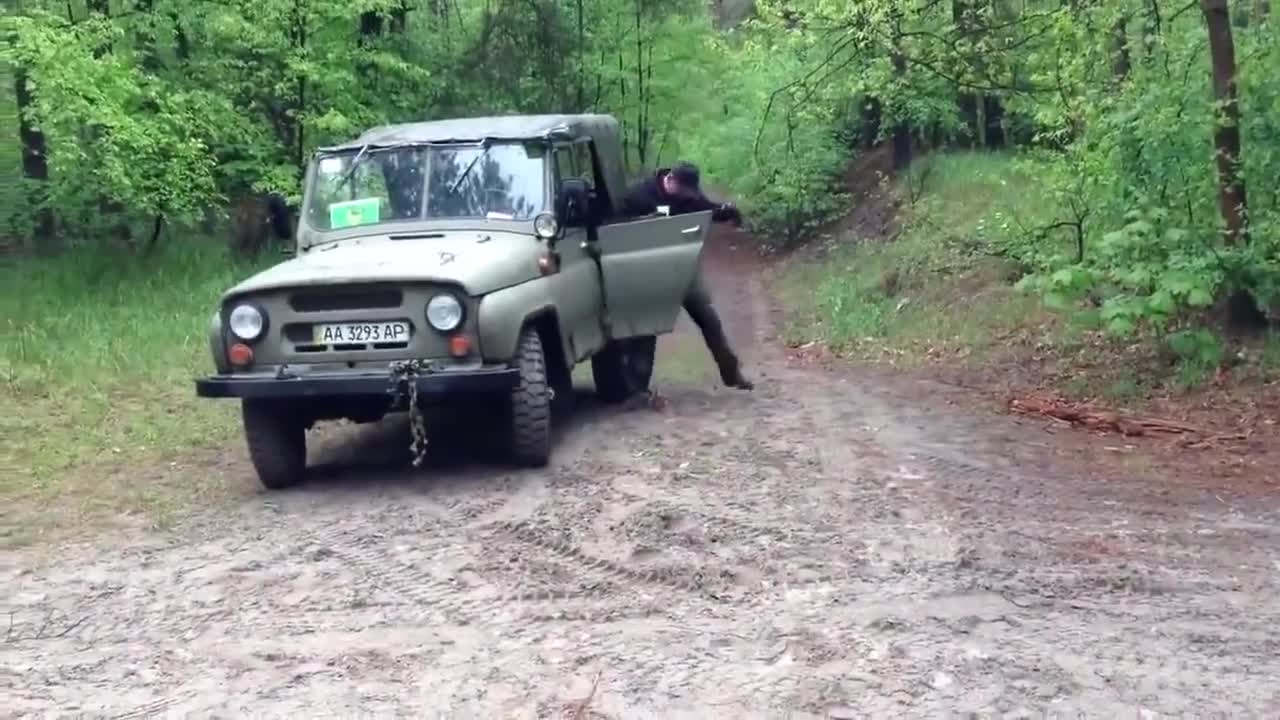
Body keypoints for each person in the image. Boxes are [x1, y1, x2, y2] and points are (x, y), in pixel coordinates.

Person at [620, 162, 754, 391]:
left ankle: (731, 372)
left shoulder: (689, 196)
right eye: (682, 190)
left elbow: (706, 210)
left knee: (708, 318)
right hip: (650, 270)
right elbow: (619, 222)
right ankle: (637, 388)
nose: (686, 196)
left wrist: (727, 211)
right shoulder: (640, 194)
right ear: (670, 179)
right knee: (647, 328)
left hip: (682, 267)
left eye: (688, 192)